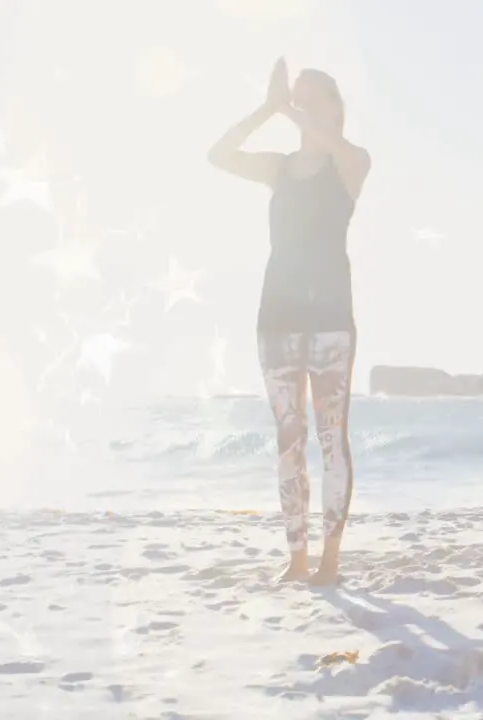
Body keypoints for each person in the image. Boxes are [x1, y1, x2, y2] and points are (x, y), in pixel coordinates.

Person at [207, 59, 372, 585]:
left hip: (330, 322)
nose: (300, 108)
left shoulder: (351, 162)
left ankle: (330, 559)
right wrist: (266, 107)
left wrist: (291, 109)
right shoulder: (278, 168)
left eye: (310, 98)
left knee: (331, 439)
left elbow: (328, 140)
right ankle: (297, 557)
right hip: (275, 319)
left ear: (332, 106)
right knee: (288, 441)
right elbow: (219, 154)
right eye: (297, 99)